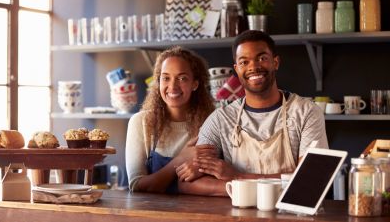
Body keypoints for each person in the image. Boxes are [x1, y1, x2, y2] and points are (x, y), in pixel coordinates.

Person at [176, 30, 329, 196]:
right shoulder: (220, 119)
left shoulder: (306, 112)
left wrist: (237, 177)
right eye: (244, 62)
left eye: (262, 58)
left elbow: (313, 179)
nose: (254, 67)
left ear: (275, 62)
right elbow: (187, 183)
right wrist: (244, 190)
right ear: (236, 68)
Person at [125, 46, 216, 194]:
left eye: (182, 78)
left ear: (195, 84)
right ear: (158, 81)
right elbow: (136, 185)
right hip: (152, 214)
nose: (172, 86)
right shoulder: (141, 122)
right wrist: (180, 160)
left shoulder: (211, 123)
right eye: (166, 78)